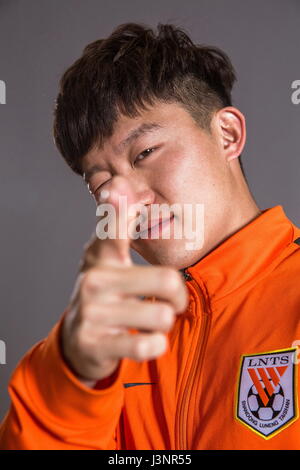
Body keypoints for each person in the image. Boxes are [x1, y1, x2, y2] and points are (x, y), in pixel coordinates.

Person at [1, 21, 300, 450]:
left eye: (145, 153)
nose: (128, 200)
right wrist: (72, 376)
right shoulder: (109, 349)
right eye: (102, 184)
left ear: (227, 134)